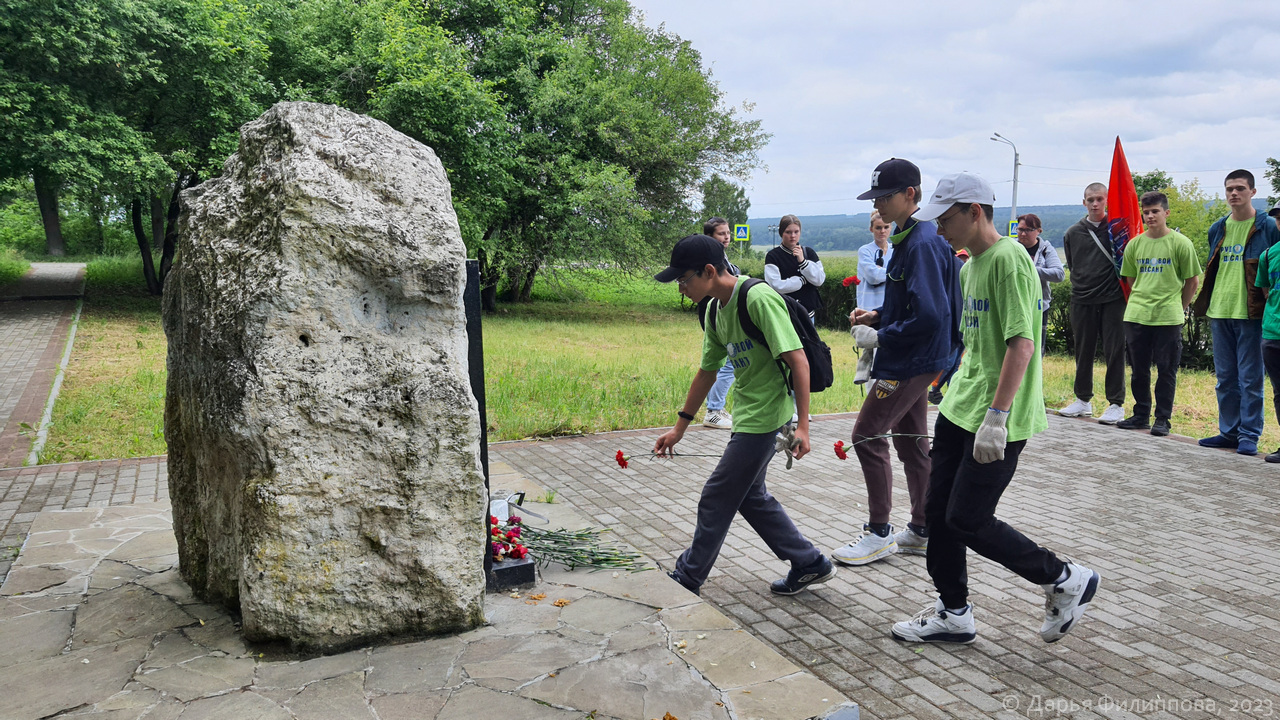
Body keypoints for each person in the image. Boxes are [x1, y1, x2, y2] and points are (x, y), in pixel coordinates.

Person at [891, 172, 1099, 646]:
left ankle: (1064, 577)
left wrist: (998, 417)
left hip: (997, 418)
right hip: (961, 407)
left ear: (975, 212)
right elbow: (973, 342)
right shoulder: (969, 266)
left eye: (945, 219)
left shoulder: (1010, 261)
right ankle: (954, 611)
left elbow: (1021, 344)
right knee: (938, 513)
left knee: (968, 517)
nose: (938, 228)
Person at [653, 234, 835, 597]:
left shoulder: (758, 298)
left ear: (709, 271)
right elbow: (707, 372)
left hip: (769, 417)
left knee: (717, 496)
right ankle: (810, 563)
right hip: (750, 412)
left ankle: (688, 576)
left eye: (684, 280)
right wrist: (679, 428)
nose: (682, 289)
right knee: (751, 496)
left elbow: (797, 360)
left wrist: (803, 425)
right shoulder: (714, 310)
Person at [830, 158, 961, 566]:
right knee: (911, 444)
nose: (880, 205)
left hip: (909, 361)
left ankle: (879, 532)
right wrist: (878, 316)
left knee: (866, 435)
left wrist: (882, 336)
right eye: (876, 197)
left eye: (886, 196)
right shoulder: (910, 237)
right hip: (914, 358)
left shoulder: (921, 243)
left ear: (911, 195)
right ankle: (922, 528)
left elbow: (930, 315)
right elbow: (911, 304)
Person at [1191, 170, 1280, 457]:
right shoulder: (1218, 228)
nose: (1234, 194)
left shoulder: (1267, 226)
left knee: (1251, 378)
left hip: (1252, 313)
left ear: (1253, 192)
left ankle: (1249, 435)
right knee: (1225, 378)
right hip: (1220, 310)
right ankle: (1228, 432)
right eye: (1229, 189)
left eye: (1240, 188)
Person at [1115, 192, 1201, 436]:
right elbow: (1130, 280)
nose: (1150, 216)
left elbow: (1192, 281)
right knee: (1138, 369)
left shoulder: (1181, 243)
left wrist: (1179, 306)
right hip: (1137, 316)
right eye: (1146, 212)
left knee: (1166, 370)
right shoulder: (1135, 244)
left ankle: (1162, 419)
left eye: (1155, 211)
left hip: (1168, 317)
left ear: (1166, 213)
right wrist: (1141, 302)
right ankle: (1141, 414)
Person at [1058, 183, 1127, 425]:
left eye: (1099, 199)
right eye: (1090, 199)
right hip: (1082, 298)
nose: (1095, 204)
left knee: (1115, 351)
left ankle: (1116, 403)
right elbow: (1074, 267)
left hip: (1112, 299)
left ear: (1107, 200)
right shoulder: (1072, 233)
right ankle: (1082, 399)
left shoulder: (1117, 230)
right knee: (1082, 350)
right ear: (1084, 202)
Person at [701, 217, 741, 430]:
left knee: (726, 362)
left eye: (728, 233)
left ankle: (716, 407)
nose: (726, 237)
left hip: (722, 313)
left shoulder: (721, 257)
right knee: (726, 363)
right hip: (717, 313)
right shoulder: (709, 259)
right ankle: (714, 410)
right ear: (709, 237)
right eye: (721, 234)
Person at [1014, 213, 1065, 352]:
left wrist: (1031, 270)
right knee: (1015, 347)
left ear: (1038, 231)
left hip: (1039, 306)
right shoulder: (1012, 248)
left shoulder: (1046, 249)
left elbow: (1059, 274)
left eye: (1028, 230)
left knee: (1036, 349)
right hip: (1015, 306)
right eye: (1020, 229)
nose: (1023, 234)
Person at [765, 215, 825, 322]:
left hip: (808, 315)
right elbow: (775, 286)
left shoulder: (809, 253)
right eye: (788, 232)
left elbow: (819, 280)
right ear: (781, 233)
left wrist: (803, 262)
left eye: (796, 232)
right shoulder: (773, 256)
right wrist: (800, 281)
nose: (793, 236)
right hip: (784, 314)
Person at [1256, 201, 1280, 463]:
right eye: (1278, 217)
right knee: (1279, 391)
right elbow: (1266, 291)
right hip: (1272, 333)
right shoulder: (1268, 254)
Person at [857, 212, 894, 310]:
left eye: (886, 227)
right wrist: (894, 271)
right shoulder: (865, 250)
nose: (882, 231)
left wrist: (881, 270)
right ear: (871, 229)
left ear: (891, 228)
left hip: (891, 306)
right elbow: (873, 277)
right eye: (878, 228)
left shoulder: (895, 250)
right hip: (868, 307)